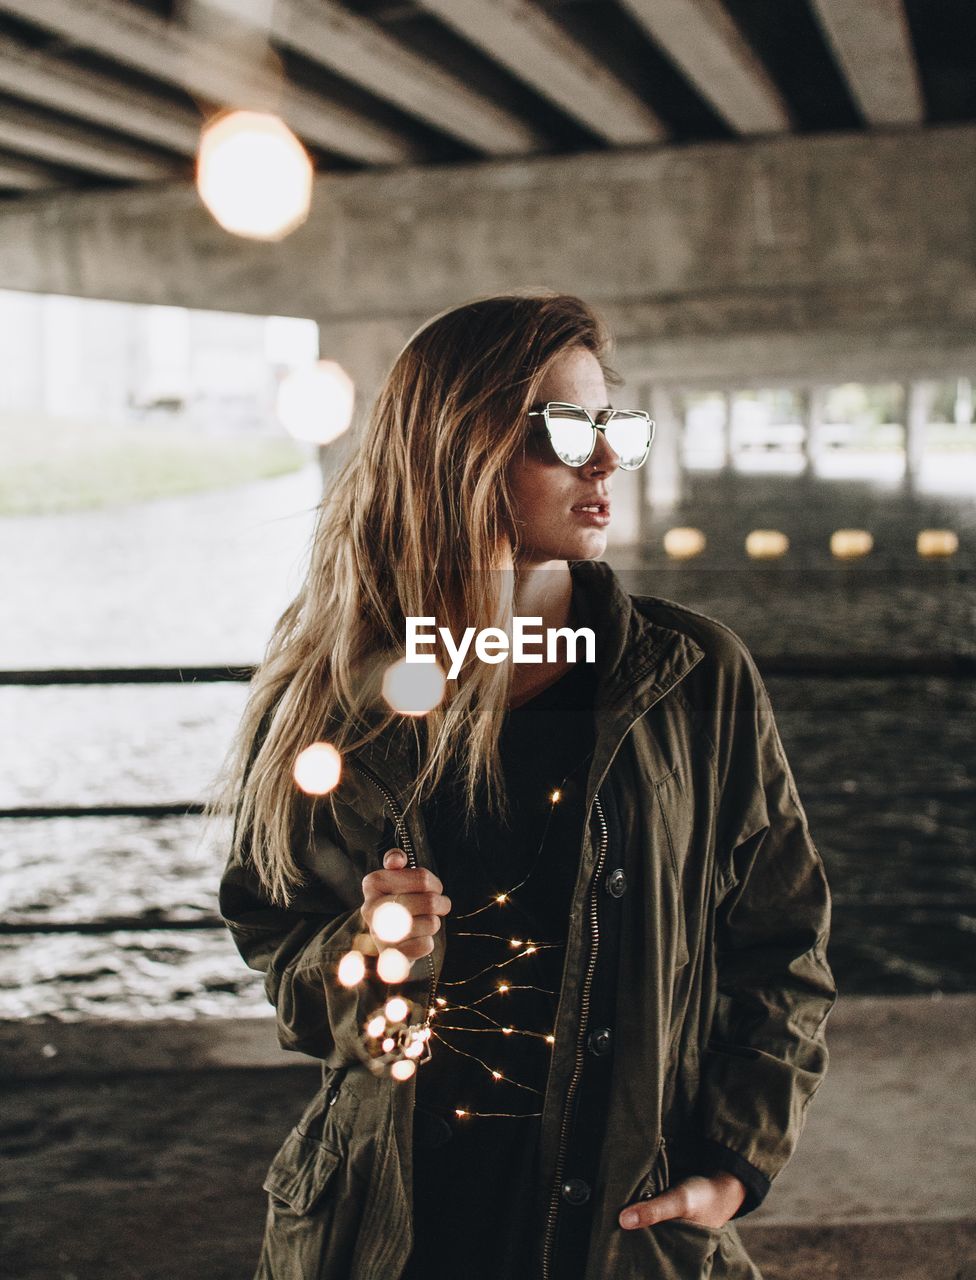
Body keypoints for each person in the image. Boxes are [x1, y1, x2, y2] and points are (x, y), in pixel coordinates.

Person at [214, 291, 837, 1280]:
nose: (602, 461)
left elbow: (780, 938)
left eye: (609, 427)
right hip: (394, 1231)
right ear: (457, 446)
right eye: (564, 429)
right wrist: (365, 955)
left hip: (621, 1235)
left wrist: (731, 1160)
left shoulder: (695, 674)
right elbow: (279, 946)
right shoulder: (337, 698)